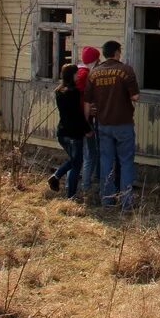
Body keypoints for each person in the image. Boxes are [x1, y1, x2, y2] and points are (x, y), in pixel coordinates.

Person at [84, 40, 139, 209]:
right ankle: (126, 201)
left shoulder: (94, 74)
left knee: (106, 160)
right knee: (126, 161)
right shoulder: (126, 70)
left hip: (103, 124)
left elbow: (87, 102)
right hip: (123, 123)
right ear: (116, 52)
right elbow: (135, 97)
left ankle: (106, 199)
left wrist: (87, 125)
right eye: (119, 51)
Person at [47, 64, 89, 198]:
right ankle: (70, 193)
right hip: (73, 133)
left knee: (74, 161)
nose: (78, 76)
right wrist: (87, 129)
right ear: (71, 76)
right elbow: (77, 114)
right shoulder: (73, 92)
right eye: (76, 74)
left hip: (62, 131)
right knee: (76, 163)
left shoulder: (59, 91)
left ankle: (57, 178)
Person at [76, 46, 101, 192]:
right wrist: (86, 111)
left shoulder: (80, 72)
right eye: (97, 61)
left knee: (82, 154)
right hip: (84, 122)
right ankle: (86, 186)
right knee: (90, 153)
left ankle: (80, 183)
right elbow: (81, 98)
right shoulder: (85, 75)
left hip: (82, 120)